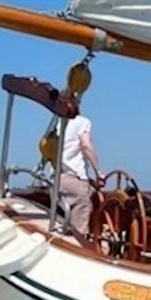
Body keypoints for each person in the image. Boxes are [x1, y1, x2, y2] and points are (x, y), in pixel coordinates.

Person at [58, 97, 100, 239]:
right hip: (72, 177)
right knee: (83, 202)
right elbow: (86, 146)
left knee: (88, 190)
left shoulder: (58, 124)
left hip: (56, 178)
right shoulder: (82, 122)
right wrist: (99, 172)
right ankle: (80, 242)